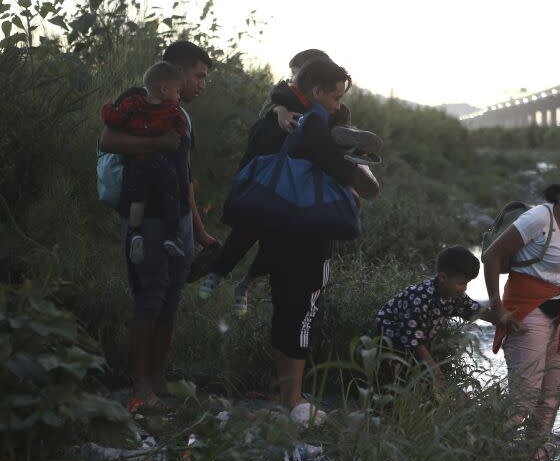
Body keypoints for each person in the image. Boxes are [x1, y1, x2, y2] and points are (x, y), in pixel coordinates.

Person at [216, 58, 379, 417]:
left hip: (277, 227)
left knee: (283, 310)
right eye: (335, 97)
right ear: (317, 91)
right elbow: (356, 180)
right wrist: (358, 176)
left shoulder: (272, 121)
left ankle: (285, 395)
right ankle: (294, 400)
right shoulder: (323, 125)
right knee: (302, 313)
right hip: (311, 233)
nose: (338, 104)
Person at [198, 50, 381, 315]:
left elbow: (334, 144)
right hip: (272, 173)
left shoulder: (330, 106)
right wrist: (279, 111)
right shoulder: (284, 96)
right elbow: (269, 110)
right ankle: (220, 272)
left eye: (298, 70)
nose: (294, 76)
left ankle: (245, 283)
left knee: (275, 239)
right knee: (248, 227)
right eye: (294, 71)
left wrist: (350, 153)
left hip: (302, 184)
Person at [98, 40, 217, 408]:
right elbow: (109, 139)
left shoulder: (183, 113)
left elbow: (185, 174)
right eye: (198, 76)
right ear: (175, 73)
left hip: (177, 217)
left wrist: (197, 229)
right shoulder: (140, 100)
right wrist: (158, 143)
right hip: (145, 217)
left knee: (171, 295)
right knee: (149, 294)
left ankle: (158, 379)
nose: (201, 84)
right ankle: (140, 385)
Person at [481, 159, 560, 461]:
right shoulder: (539, 217)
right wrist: (497, 307)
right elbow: (492, 255)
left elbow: (553, 271)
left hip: (557, 312)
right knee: (522, 399)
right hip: (526, 312)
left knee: (553, 393)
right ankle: (487, 460)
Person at [374, 246, 513, 391]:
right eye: (461, 283)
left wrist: (503, 319)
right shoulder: (421, 299)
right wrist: (437, 373)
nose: (464, 289)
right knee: (398, 382)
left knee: (421, 382)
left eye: (467, 284)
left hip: (414, 344)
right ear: (443, 278)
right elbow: (415, 342)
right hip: (388, 343)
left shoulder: (453, 295)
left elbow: (476, 310)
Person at [101, 61, 188, 264]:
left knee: (138, 199)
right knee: (170, 194)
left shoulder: (133, 103)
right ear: (165, 89)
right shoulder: (171, 110)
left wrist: (106, 107)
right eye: (177, 91)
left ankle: (135, 232)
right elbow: (180, 130)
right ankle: (171, 235)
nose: (178, 96)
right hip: (161, 164)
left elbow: (113, 118)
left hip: (138, 163)